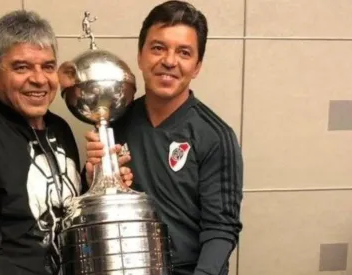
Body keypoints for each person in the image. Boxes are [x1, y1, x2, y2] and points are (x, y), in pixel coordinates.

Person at [0, 10, 131, 275]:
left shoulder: (59, 129)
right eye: (22, 67)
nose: (39, 79)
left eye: (48, 66)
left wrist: (92, 181)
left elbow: (63, 213)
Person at [84, 1, 243, 275]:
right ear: (140, 55)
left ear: (197, 66)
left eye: (184, 52)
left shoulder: (215, 136)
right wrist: (92, 179)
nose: (169, 61)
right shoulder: (113, 123)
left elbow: (221, 230)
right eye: (158, 48)